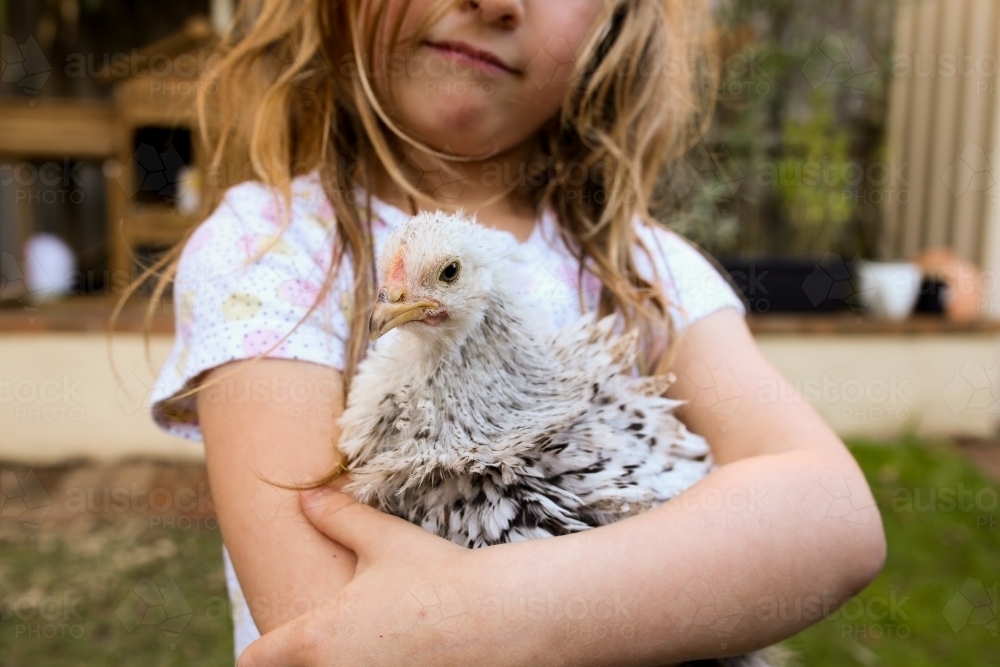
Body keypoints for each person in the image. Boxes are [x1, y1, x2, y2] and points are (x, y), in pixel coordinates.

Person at [147, 0, 887, 664]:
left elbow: (835, 514)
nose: (496, 2)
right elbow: (334, 636)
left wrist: (505, 613)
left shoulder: (645, 267)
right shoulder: (274, 249)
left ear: (618, 19)